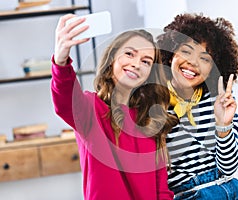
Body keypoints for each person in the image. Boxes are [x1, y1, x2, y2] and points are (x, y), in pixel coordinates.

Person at [51, 14, 178, 200]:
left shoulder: (151, 122)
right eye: (129, 53)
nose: (136, 64)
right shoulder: (91, 110)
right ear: (111, 60)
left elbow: (161, 192)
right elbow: (64, 100)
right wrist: (61, 61)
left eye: (146, 61)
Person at [156, 13, 238, 199]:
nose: (193, 63)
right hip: (189, 194)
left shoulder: (219, 100)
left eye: (205, 58)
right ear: (171, 54)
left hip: (232, 189)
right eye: (186, 51)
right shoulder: (153, 102)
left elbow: (229, 168)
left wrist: (223, 125)